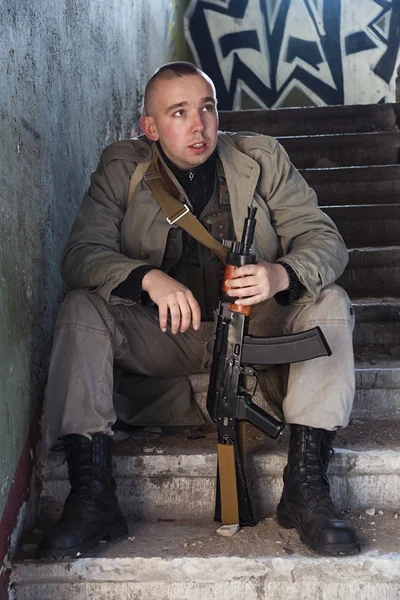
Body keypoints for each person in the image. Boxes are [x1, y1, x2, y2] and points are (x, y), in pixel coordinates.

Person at [40, 61, 360, 558]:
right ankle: (92, 495)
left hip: (258, 336)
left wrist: (281, 274)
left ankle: (307, 485)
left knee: (331, 301)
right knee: (81, 309)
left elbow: (325, 241)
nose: (198, 125)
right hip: (167, 336)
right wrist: (146, 277)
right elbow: (81, 255)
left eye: (207, 108)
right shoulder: (122, 171)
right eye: (179, 112)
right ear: (151, 127)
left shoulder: (260, 159)